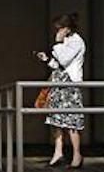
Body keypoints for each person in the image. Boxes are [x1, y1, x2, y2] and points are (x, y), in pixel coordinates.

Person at [34, 13, 87, 168]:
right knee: (55, 118)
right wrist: (46, 59)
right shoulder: (66, 42)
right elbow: (58, 65)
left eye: (60, 28)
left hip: (70, 84)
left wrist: (57, 43)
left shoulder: (76, 42)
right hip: (58, 82)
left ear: (67, 28)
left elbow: (64, 60)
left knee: (72, 120)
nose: (57, 31)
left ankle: (77, 155)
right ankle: (58, 152)